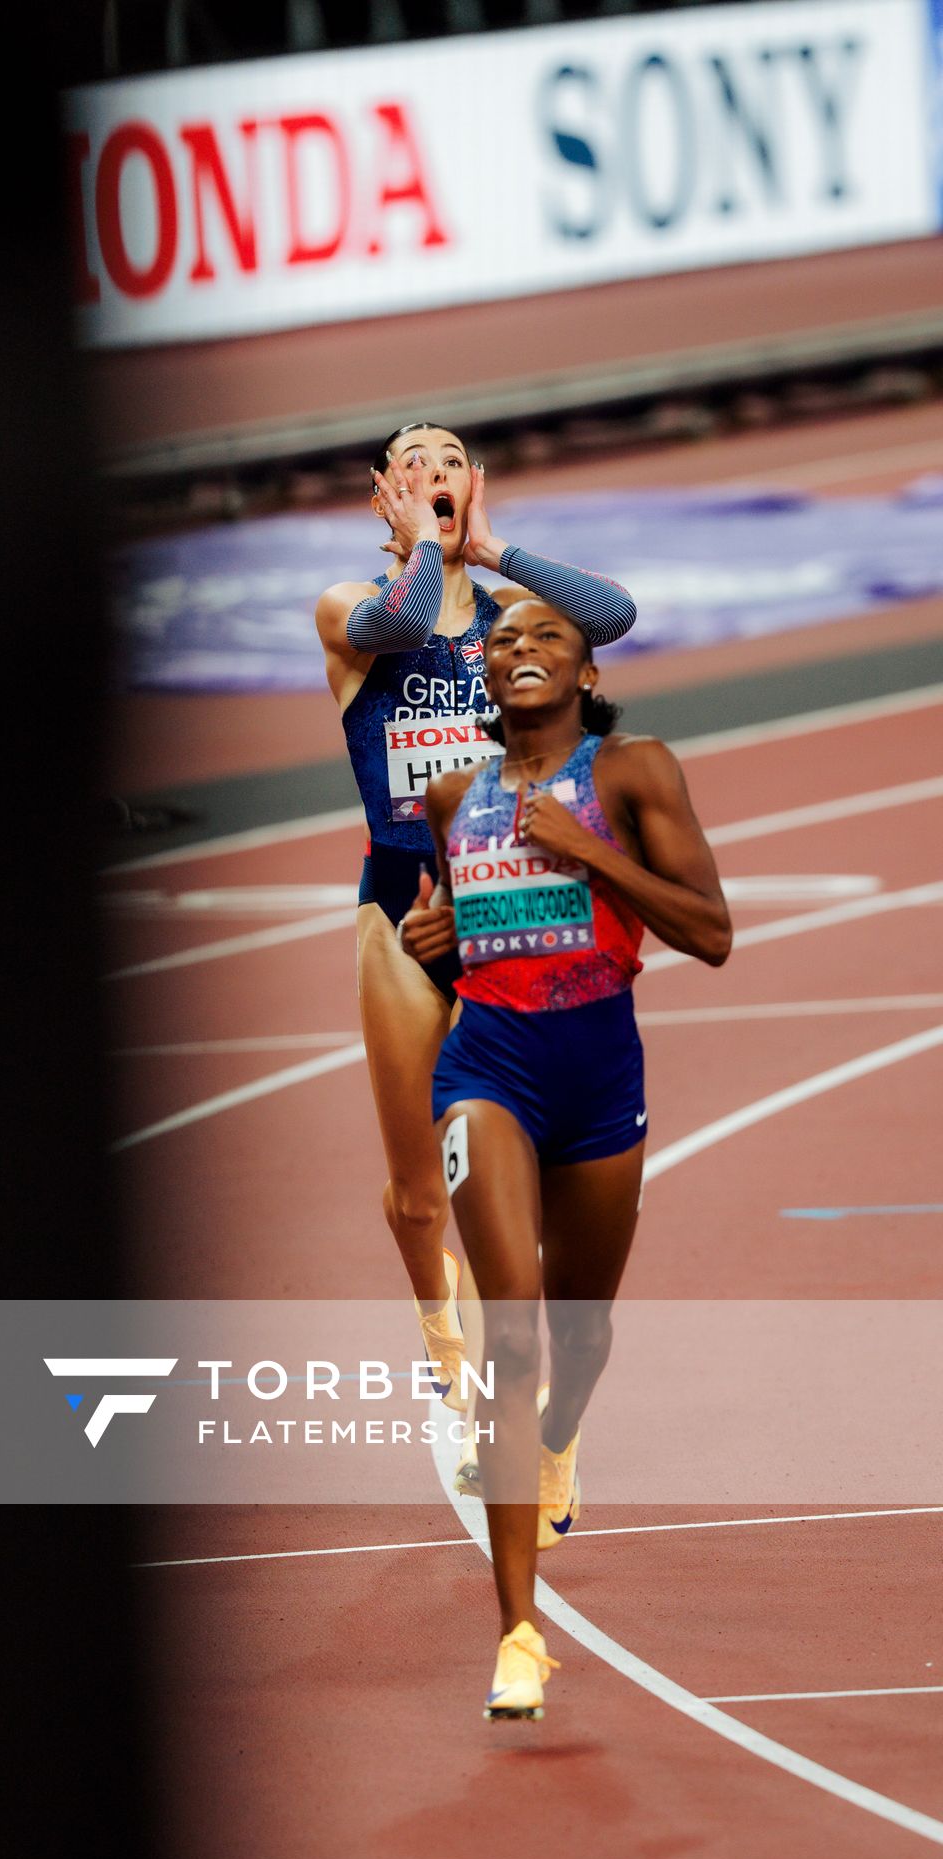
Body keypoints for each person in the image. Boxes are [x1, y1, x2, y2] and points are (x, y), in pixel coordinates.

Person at [400, 592, 732, 1720]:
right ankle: (519, 1632)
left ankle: (556, 1442)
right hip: (486, 1070)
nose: (520, 650)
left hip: (601, 1084)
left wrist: (590, 852)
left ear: (585, 675)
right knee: (513, 1326)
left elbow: (711, 934)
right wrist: (426, 943)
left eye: (547, 638)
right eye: (502, 641)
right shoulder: (454, 798)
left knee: (577, 1334)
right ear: (485, 682)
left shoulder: (631, 770)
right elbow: (453, 945)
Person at [314, 423, 636, 1420]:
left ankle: (535, 1386)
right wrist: (423, 544)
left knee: (524, 1170)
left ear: (474, 483)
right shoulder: (347, 609)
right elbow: (403, 625)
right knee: (417, 1191)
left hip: (503, 907)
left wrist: (490, 550)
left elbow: (613, 614)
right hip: (396, 907)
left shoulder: (517, 621)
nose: (432, 476)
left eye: (448, 461)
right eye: (412, 464)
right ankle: (436, 1322)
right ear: (384, 493)